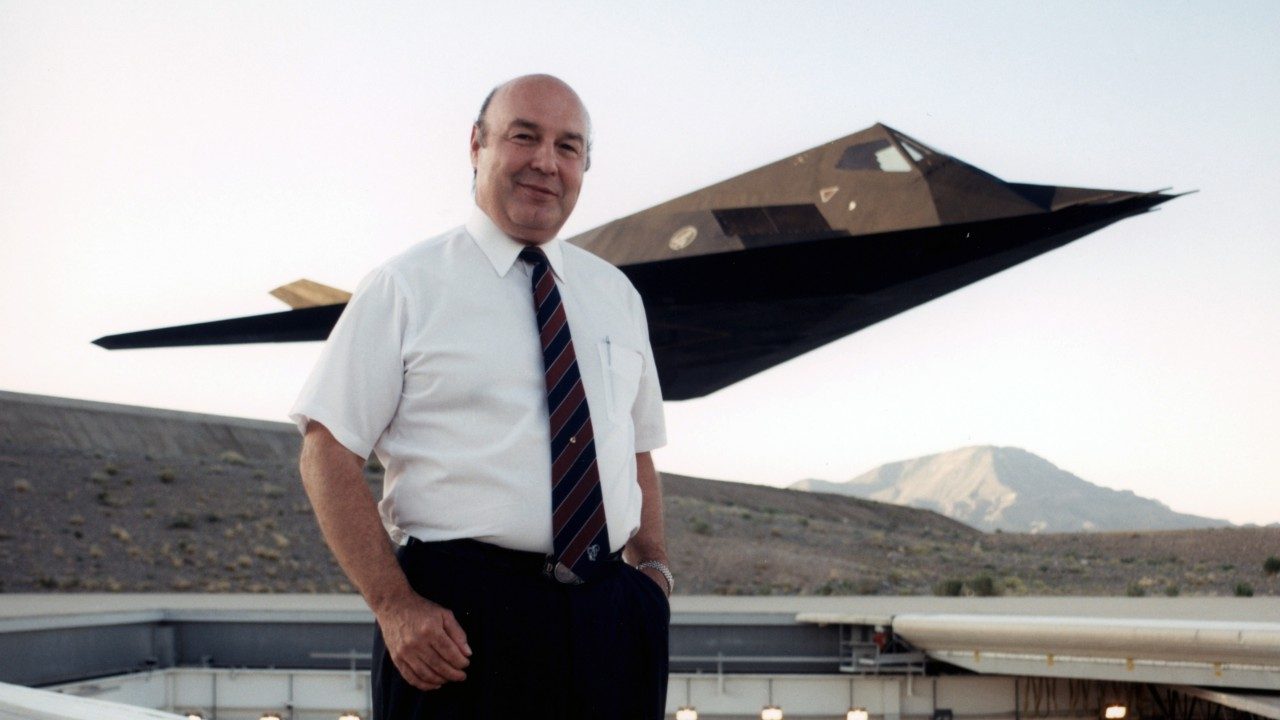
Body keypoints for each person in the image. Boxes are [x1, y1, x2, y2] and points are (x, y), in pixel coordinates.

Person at [290, 74, 671, 719]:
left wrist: (653, 579)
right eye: (524, 137)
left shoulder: (616, 296)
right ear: (477, 145)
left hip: (610, 621)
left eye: (568, 146)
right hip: (459, 628)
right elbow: (325, 452)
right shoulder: (406, 287)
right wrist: (393, 604)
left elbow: (636, 451)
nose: (546, 162)